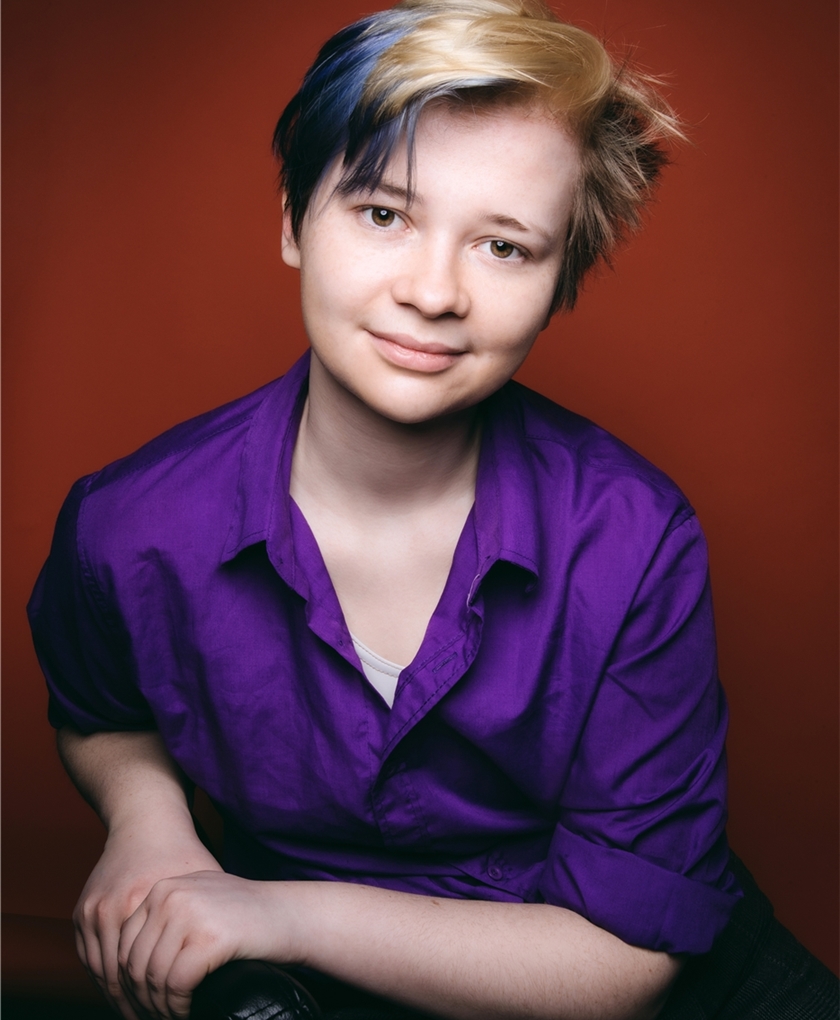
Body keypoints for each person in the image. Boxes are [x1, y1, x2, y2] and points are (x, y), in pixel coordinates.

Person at [27, 1, 748, 1018]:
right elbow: (103, 709)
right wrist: (148, 823)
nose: (433, 291)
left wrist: (278, 912)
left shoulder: (634, 539)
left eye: (505, 247)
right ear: (294, 220)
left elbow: (625, 959)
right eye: (382, 215)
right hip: (281, 983)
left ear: (560, 284)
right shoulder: (126, 524)